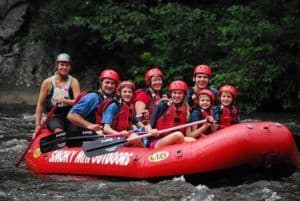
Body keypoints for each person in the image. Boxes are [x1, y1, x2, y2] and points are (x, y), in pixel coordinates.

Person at [33, 53, 80, 138]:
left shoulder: (74, 82)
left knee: (74, 132)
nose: (64, 68)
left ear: (70, 67)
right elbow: (40, 104)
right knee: (59, 131)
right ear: (57, 66)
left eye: (67, 65)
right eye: (62, 65)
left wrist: (64, 100)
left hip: (71, 116)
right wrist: (37, 125)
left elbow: (78, 102)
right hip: (54, 117)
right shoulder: (47, 82)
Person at [67, 69, 119, 135]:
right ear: (101, 83)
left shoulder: (110, 99)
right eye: (107, 82)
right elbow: (71, 115)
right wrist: (89, 125)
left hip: (97, 134)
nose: (110, 86)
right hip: (80, 135)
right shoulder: (93, 97)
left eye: (113, 83)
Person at [147, 80, 195, 149]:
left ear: (184, 95)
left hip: (175, 141)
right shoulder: (162, 106)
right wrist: (151, 131)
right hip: (158, 142)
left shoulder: (186, 111)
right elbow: (148, 126)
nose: (177, 95)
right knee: (178, 135)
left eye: (180, 93)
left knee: (192, 140)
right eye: (174, 93)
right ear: (171, 94)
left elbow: (188, 134)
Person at [101, 81, 146, 146]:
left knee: (144, 131)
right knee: (134, 137)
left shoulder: (130, 107)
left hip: (125, 137)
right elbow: (106, 129)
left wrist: (149, 130)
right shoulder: (114, 106)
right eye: (124, 92)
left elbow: (141, 126)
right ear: (119, 93)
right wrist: (120, 134)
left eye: (130, 92)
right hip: (113, 138)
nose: (127, 94)